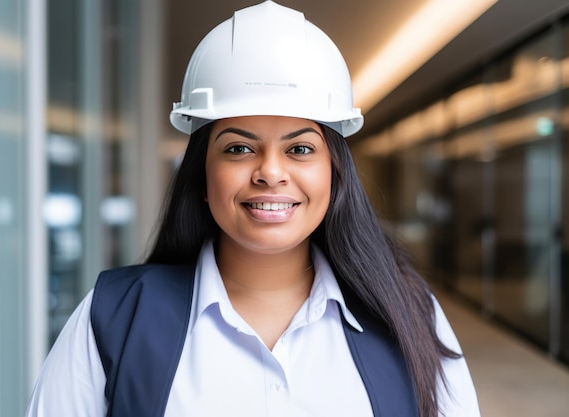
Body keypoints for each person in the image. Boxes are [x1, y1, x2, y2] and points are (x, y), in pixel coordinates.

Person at [26, 1, 480, 416]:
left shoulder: (407, 313)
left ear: (335, 175)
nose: (270, 172)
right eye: (240, 149)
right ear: (202, 177)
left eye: (300, 150)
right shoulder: (114, 316)